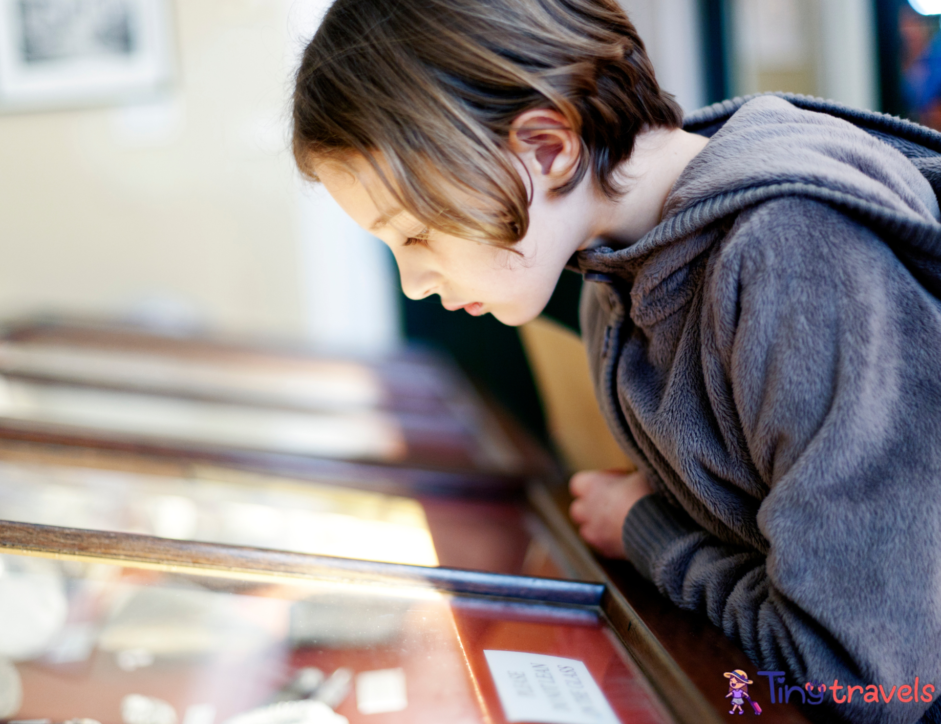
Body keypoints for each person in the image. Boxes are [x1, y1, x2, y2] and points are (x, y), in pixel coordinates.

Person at [290, 0, 941, 721]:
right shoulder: (612, 283)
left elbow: (860, 679)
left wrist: (647, 530)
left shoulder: (795, 258)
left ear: (547, 148)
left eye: (415, 236)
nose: (415, 283)